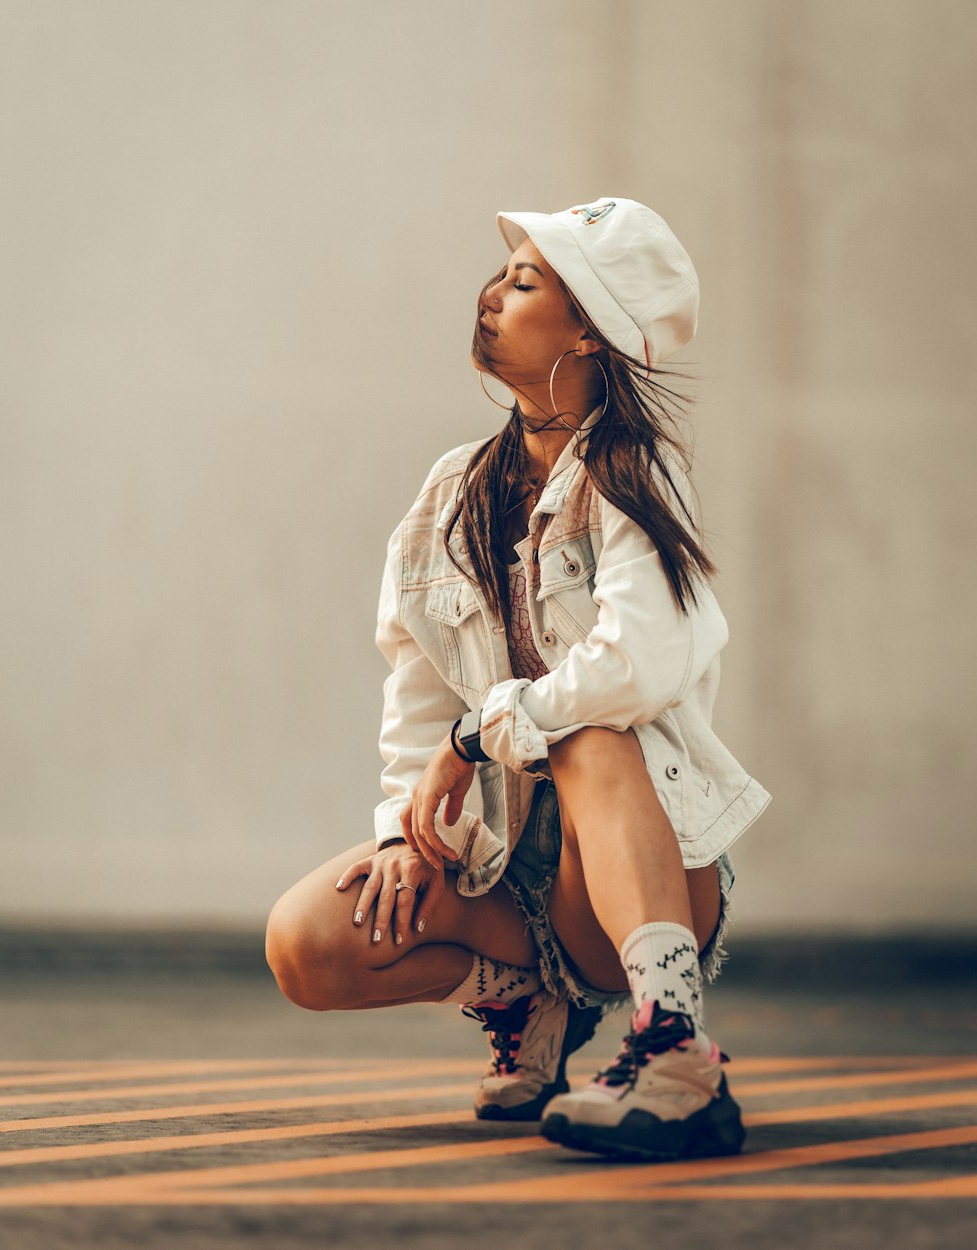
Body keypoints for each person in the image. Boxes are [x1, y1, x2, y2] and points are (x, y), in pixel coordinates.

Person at [266, 196, 770, 1161]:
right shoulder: (452, 492)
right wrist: (404, 835)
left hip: (632, 870)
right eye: (503, 272)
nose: (493, 291)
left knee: (583, 729)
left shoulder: (634, 473)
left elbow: (638, 667)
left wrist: (480, 735)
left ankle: (676, 1058)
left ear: (588, 331)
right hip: (503, 874)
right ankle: (527, 999)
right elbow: (417, 683)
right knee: (307, 942)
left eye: (526, 280)